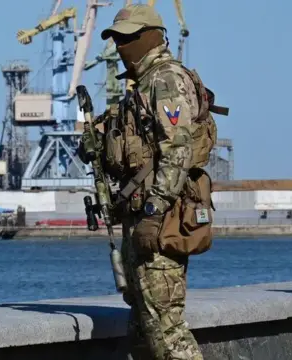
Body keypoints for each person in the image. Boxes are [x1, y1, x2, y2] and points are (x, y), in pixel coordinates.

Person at [86, 3, 227, 359]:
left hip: (161, 221)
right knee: (142, 328)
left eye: (128, 38)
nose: (120, 47)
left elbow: (177, 153)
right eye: (116, 39)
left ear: (150, 37)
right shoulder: (142, 85)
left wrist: (152, 212)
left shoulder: (165, 80)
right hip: (142, 218)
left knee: (167, 331)